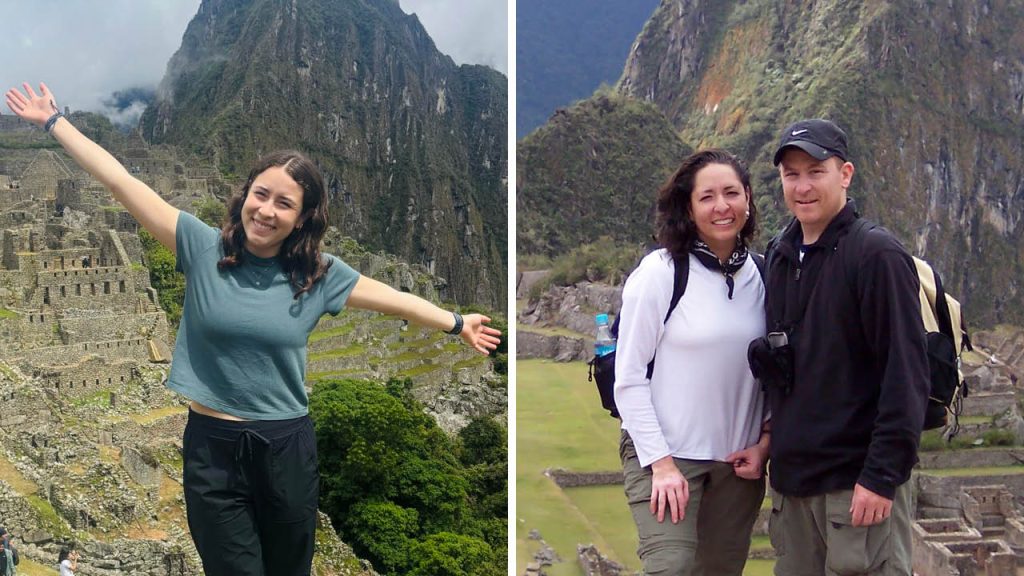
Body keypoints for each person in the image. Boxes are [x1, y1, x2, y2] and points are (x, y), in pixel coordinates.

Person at [5, 83, 501, 576]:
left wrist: (456, 323)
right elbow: (122, 182)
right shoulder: (199, 247)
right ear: (245, 195)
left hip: (285, 446)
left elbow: (395, 300)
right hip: (212, 447)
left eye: (283, 203)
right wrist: (54, 121)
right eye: (260, 195)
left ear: (303, 217)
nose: (266, 210)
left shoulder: (319, 274)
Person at [758, 119, 928, 575]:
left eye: (816, 171)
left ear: (845, 173)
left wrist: (881, 477)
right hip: (794, 489)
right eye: (792, 175)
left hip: (856, 488)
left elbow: (905, 374)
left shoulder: (876, 255)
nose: (803, 186)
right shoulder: (780, 255)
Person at [614, 149, 770, 575]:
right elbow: (628, 378)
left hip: (737, 462)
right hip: (665, 454)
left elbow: (779, 372)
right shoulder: (662, 273)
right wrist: (661, 465)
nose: (722, 206)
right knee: (671, 567)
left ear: (749, 200)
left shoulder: (765, 274)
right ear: (688, 207)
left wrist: (766, 442)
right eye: (707, 197)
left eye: (731, 193)